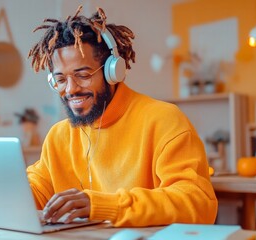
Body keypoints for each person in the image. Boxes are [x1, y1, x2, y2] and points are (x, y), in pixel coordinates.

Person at [26, 5, 218, 227]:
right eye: (60, 80)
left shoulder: (164, 119)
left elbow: (197, 203)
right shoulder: (58, 136)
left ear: (113, 71)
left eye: (83, 75)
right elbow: (35, 192)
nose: (71, 89)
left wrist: (105, 206)